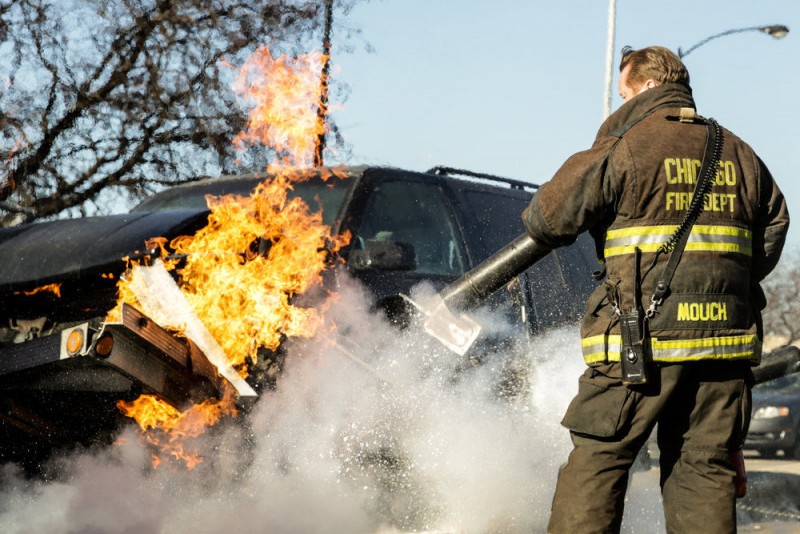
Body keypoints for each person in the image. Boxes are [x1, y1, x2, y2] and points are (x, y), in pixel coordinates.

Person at [521, 46, 789, 533]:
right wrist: (725, 288)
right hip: (722, 346)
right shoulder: (741, 152)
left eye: (620, 93)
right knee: (703, 470)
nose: (616, 104)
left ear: (646, 87)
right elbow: (774, 225)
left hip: (640, 341)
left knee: (600, 459)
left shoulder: (627, 146)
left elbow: (548, 218)